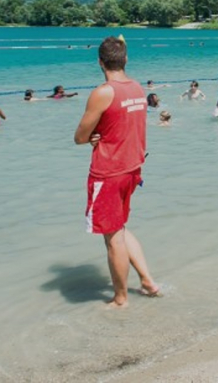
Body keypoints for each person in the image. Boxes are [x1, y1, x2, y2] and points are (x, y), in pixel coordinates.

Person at [73, 36, 160, 308]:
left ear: (99, 62)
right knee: (119, 228)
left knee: (112, 238)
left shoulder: (103, 92)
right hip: (133, 168)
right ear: (125, 60)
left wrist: (92, 138)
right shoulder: (136, 88)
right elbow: (122, 124)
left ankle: (120, 299)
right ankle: (148, 281)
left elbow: (79, 136)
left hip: (109, 172)